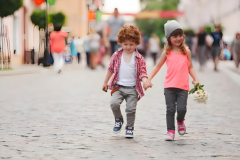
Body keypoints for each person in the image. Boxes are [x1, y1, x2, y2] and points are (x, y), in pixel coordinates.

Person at [143, 20, 200, 141]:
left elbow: (190, 67)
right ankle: (170, 131)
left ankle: (180, 121)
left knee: (181, 109)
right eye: (175, 36)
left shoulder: (187, 51)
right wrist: (148, 79)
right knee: (170, 109)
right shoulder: (167, 52)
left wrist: (196, 79)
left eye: (180, 35)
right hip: (169, 86)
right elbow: (157, 66)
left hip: (183, 87)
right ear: (169, 38)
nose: (178, 38)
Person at [102, 25, 149, 139]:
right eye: (125, 44)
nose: (128, 47)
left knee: (130, 109)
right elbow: (110, 69)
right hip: (118, 87)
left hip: (133, 88)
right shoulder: (117, 55)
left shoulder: (139, 58)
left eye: (131, 44)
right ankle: (118, 119)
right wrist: (105, 82)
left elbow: (143, 72)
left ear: (136, 43)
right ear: (120, 43)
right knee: (114, 104)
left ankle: (129, 127)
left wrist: (145, 81)